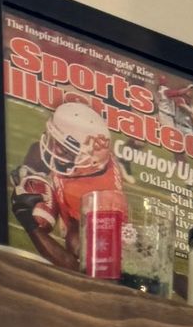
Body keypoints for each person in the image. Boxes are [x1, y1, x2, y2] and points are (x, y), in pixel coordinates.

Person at [10, 99, 125, 269]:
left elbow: (76, 268)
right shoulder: (87, 164)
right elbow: (40, 149)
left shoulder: (96, 203)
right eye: (56, 142)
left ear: (88, 157)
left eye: (64, 149)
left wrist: (30, 224)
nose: (54, 149)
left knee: (73, 240)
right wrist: (29, 172)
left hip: (102, 247)